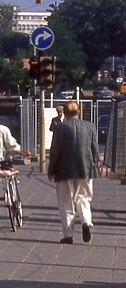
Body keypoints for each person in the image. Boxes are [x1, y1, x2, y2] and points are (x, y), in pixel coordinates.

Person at [47, 101, 100, 244]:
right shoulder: (90, 127)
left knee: (66, 202)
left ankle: (68, 234)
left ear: (64, 112)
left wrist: (51, 170)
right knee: (83, 198)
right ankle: (86, 221)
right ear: (79, 112)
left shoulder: (59, 129)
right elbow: (94, 148)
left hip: (64, 170)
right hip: (85, 169)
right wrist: (96, 162)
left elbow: (55, 151)